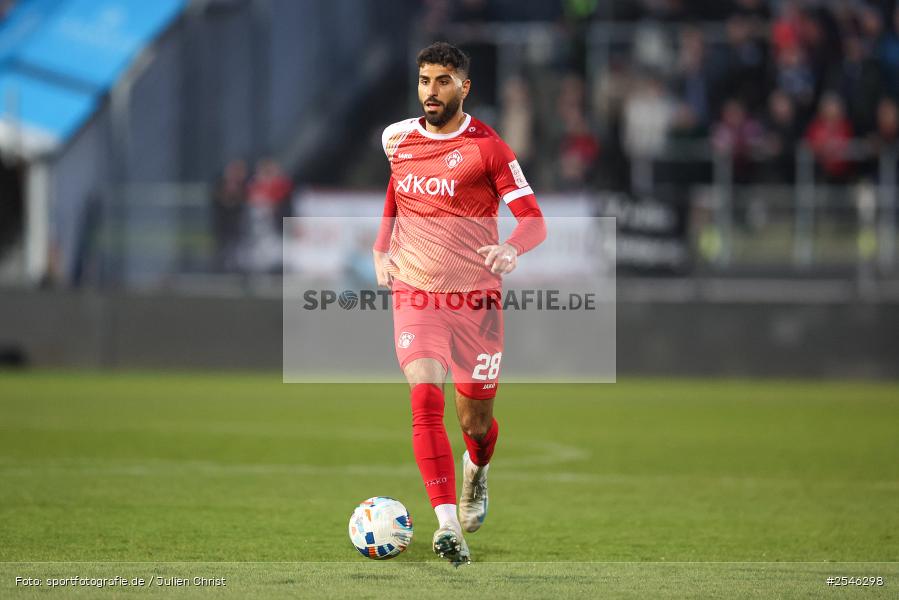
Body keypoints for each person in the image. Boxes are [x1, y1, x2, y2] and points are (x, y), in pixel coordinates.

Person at [372, 42, 546, 566]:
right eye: (425, 80)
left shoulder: (488, 149)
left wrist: (511, 248)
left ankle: (478, 469)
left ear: (464, 87)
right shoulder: (397, 139)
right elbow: (395, 194)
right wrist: (381, 248)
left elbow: (534, 218)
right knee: (424, 397)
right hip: (417, 291)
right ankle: (446, 524)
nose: (431, 91)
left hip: (477, 301)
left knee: (474, 422)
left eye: (443, 81)